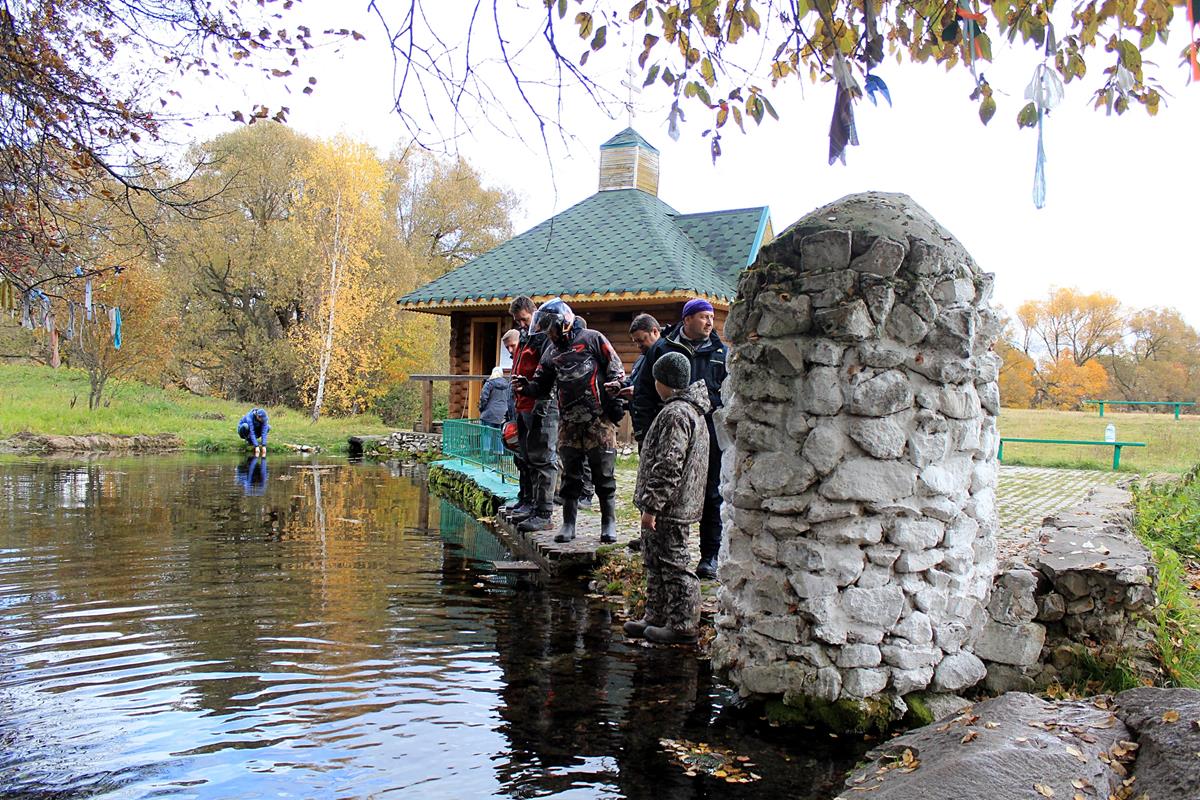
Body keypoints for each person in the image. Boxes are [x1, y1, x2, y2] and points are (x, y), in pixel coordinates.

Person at [515, 297, 625, 543]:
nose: (549, 335)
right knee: (571, 476)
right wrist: (526, 387)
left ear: (563, 322)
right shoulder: (552, 351)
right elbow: (541, 384)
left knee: (603, 474)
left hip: (598, 419)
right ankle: (568, 524)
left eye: (550, 329)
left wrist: (616, 385)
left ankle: (608, 522)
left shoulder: (592, 338)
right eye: (545, 330)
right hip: (569, 422)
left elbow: (616, 367)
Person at [631, 298, 727, 579]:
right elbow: (643, 394)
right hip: (669, 431)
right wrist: (644, 434)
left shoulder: (720, 352)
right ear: (687, 319)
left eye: (711, 317)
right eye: (703, 316)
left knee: (712, 493)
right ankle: (666, 550)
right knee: (667, 491)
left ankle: (710, 555)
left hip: (708, 435)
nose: (709, 322)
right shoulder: (662, 349)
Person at [625, 351, 709, 644]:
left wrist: (652, 506)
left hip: (670, 506)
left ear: (664, 381)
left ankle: (683, 624)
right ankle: (656, 614)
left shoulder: (677, 414)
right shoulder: (687, 410)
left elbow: (669, 463)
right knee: (654, 560)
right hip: (670, 504)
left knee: (674, 563)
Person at [506, 296, 560, 531]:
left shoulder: (546, 337)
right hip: (523, 404)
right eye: (518, 321)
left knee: (543, 459)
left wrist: (539, 400)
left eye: (524, 319)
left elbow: (549, 374)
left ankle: (544, 512)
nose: (521, 324)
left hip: (542, 405)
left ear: (533, 312)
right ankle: (528, 503)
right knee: (526, 457)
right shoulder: (526, 337)